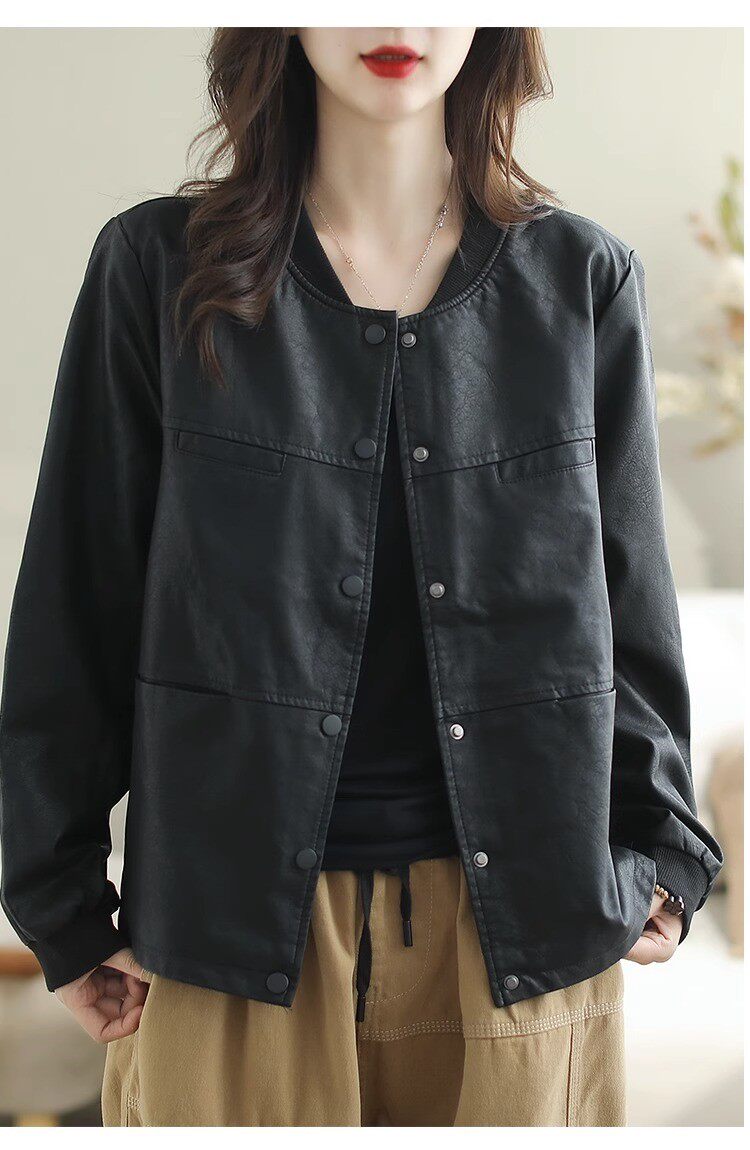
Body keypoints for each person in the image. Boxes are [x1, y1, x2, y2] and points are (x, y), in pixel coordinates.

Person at [0, 28, 722, 1127]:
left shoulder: (581, 279)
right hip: (225, 935)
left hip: (526, 939)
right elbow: (75, 601)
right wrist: (60, 905)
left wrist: (664, 849)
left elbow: (632, 609)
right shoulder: (157, 268)